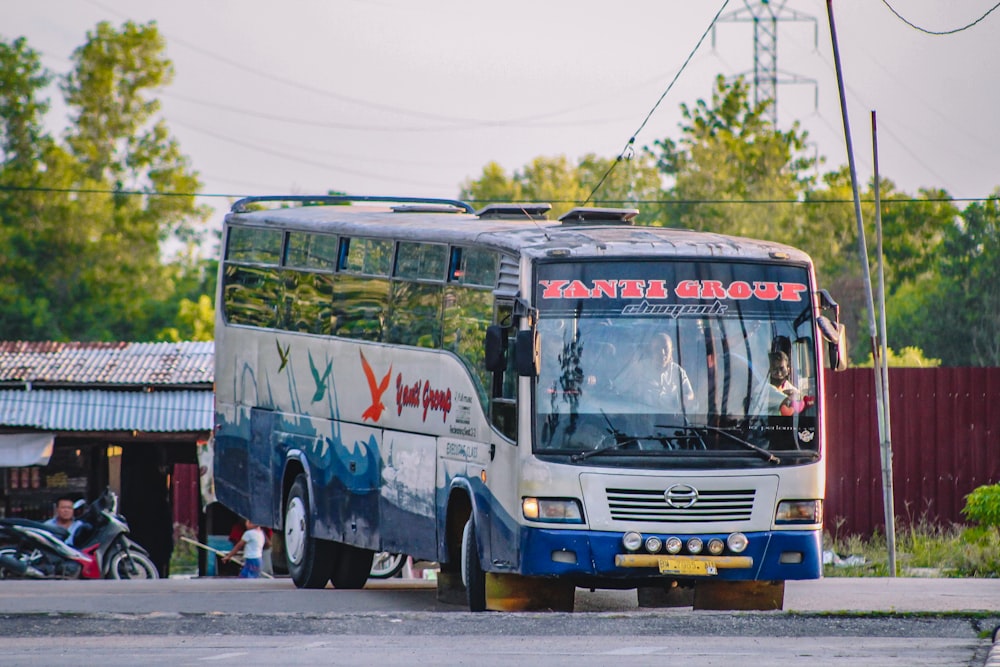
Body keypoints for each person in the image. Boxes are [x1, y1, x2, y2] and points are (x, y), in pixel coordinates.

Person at [617, 332, 696, 411]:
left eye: (666, 348)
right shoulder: (639, 368)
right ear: (651, 351)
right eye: (657, 348)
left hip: (671, 419)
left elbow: (690, 394)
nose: (662, 353)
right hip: (642, 417)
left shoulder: (678, 371)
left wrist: (685, 399)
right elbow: (619, 389)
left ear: (672, 350)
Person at [750, 350, 803, 416]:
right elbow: (787, 401)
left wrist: (796, 395)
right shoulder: (763, 388)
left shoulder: (787, 386)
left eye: (782, 368)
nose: (779, 373)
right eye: (774, 369)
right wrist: (790, 396)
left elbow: (801, 396)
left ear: (788, 370)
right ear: (769, 370)